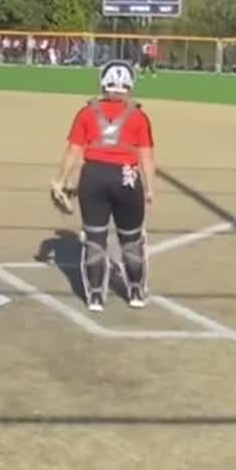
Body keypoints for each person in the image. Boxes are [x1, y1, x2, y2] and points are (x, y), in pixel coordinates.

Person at [52, 61, 157, 312]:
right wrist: (150, 188)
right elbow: (146, 156)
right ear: (130, 85)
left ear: (103, 82)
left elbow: (74, 150)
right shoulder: (139, 116)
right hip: (127, 177)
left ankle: (96, 296)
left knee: (95, 238)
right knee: (131, 238)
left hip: (94, 176)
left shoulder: (87, 113)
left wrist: (61, 179)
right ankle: (135, 292)